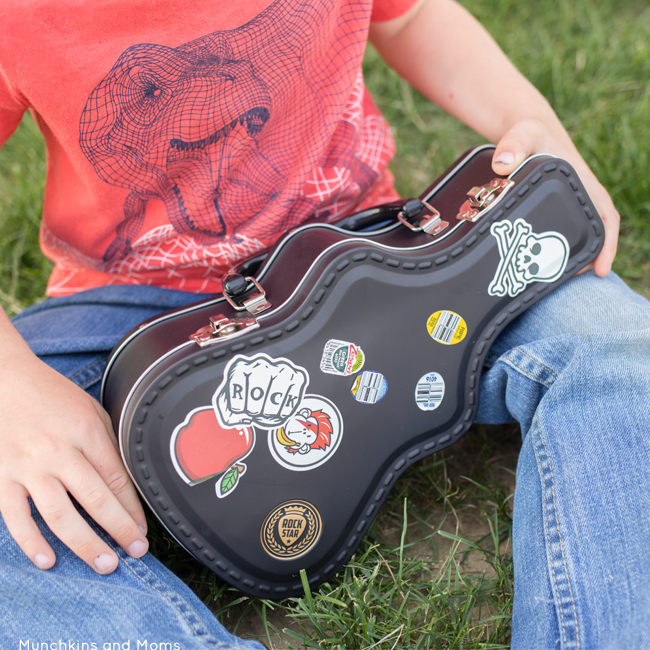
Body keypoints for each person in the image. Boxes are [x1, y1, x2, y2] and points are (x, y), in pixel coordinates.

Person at [0, 0, 648, 648]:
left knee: (619, 355)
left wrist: (532, 123)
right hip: (131, 311)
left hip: (378, 269)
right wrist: (13, 387)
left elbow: (411, 17)